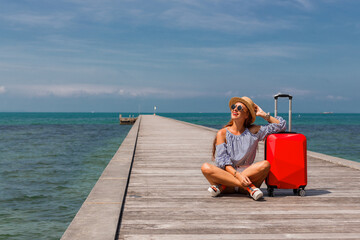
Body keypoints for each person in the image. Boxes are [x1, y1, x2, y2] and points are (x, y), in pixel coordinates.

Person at [201, 96, 286, 200]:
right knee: (205, 167)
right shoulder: (222, 133)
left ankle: (222, 187)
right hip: (230, 175)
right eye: (233, 106)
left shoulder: (254, 131)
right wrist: (238, 176)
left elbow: (281, 126)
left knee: (265, 164)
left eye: (240, 108)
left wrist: (264, 115)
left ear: (246, 115)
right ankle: (250, 188)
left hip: (248, 176)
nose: (235, 109)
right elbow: (223, 162)